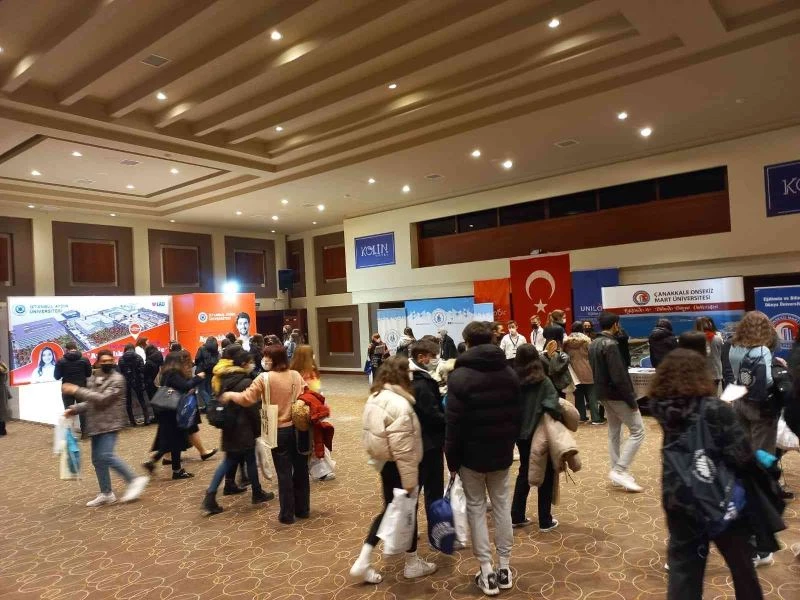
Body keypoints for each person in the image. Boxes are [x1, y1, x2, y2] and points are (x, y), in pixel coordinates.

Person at [650, 349, 784, 599]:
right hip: (722, 499)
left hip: (679, 496)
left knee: (684, 571)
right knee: (742, 567)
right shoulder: (714, 408)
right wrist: (765, 467)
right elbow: (741, 455)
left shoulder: (662, 409)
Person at [446, 321, 521, 596]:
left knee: (476, 509)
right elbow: (517, 416)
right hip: (502, 452)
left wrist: (452, 461)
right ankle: (505, 567)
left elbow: (453, 425)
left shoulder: (459, 377)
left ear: (467, 342)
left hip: (471, 456)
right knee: (502, 507)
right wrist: (510, 443)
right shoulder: (509, 373)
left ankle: (487, 571)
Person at [350, 356, 434, 583]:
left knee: (390, 509)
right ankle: (411, 562)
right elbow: (403, 449)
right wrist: (410, 481)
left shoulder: (376, 397)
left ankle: (364, 559)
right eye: (408, 372)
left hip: (384, 463)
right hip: (399, 465)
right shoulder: (400, 404)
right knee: (407, 511)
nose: (411, 376)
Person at [221, 344, 309, 525]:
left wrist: (230, 395)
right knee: (301, 469)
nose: (264, 360)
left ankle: (287, 514)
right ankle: (303, 509)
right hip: (299, 428)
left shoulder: (264, 378)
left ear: (273, 359)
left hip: (277, 429)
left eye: (267, 356)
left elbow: (247, 398)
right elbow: (306, 395)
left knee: (284, 473)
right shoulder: (295, 375)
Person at [63, 350, 149, 506]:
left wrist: (76, 390)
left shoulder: (118, 379)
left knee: (106, 455)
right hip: (96, 424)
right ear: (97, 362)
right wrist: (74, 409)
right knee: (98, 460)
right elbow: (92, 402)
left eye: (110, 360)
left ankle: (134, 479)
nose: (107, 363)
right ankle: (106, 493)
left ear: (114, 360)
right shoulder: (94, 378)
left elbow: (103, 399)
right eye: (103, 361)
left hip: (110, 423)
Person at [202, 346, 274, 515]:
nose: (252, 364)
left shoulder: (223, 379)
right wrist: (259, 428)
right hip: (244, 429)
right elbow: (252, 408)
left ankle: (213, 494)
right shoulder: (245, 382)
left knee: (229, 461)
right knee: (249, 460)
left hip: (229, 428)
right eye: (250, 362)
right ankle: (256, 492)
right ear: (243, 364)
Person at [589, 312, 645, 493]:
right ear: (615, 325)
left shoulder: (593, 343)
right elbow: (619, 376)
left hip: (603, 394)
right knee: (638, 431)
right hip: (617, 395)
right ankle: (619, 470)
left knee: (614, 432)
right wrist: (631, 399)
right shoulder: (611, 345)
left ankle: (616, 471)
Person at [144, 350, 216, 479]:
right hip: (173, 411)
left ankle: (157, 463)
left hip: (168, 410)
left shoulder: (166, 373)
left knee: (171, 440)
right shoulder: (173, 373)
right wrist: (198, 377)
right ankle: (176, 470)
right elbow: (185, 386)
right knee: (175, 441)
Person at [511, 344, 560, 531]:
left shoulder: (512, 381)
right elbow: (553, 406)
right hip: (540, 434)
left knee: (524, 471)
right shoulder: (543, 381)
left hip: (520, 434)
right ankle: (545, 520)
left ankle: (516, 515)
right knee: (546, 474)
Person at [408, 338, 446, 517]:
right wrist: (448, 419)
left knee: (414, 490)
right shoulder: (422, 383)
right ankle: (435, 529)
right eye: (433, 356)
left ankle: (411, 530)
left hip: (413, 441)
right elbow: (432, 414)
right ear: (421, 357)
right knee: (433, 490)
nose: (435, 360)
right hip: (429, 442)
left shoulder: (406, 376)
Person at [54, 341, 92, 435]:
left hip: (67, 389)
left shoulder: (61, 361)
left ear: (66, 350)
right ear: (76, 348)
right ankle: (85, 433)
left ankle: (70, 435)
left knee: (68, 411)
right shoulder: (85, 359)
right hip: (81, 388)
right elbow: (89, 374)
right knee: (83, 411)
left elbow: (57, 376)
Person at [564, 322, 597, 423]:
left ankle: (581, 417)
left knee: (578, 396)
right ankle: (596, 418)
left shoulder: (566, 342)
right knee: (592, 395)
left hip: (574, 372)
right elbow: (593, 355)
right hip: (588, 369)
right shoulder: (587, 341)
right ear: (582, 329)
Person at [118, 344, 151, 426]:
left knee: (128, 402)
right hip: (137, 381)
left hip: (126, 381)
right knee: (142, 400)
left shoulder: (121, 359)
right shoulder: (138, 357)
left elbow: (120, 372)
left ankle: (132, 421)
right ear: (133, 349)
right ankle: (147, 419)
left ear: (125, 349)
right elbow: (142, 369)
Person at [697, 317, 724, 388]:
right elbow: (722, 352)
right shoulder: (717, 338)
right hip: (715, 370)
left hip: (700, 372)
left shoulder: (695, 339)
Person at [194, 337, 219, 409]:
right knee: (209, 389)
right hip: (210, 372)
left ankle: (210, 406)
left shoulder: (202, 348)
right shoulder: (216, 350)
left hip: (201, 371)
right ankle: (211, 407)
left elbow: (197, 359)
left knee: (201, 389)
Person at [0, 361, 10, 436]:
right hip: (3, 391)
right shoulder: (3, 366)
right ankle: (3, 430)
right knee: (2, 411)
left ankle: (1, 430)